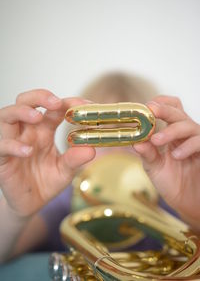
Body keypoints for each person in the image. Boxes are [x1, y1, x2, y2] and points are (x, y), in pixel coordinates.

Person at [0, 72, 200, 263]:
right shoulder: (64, 201)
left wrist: (195, 214)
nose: (117, 154)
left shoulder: (173, 205)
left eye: (134, 139)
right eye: (103, 139)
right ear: (73, 148)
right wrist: (15, 213)